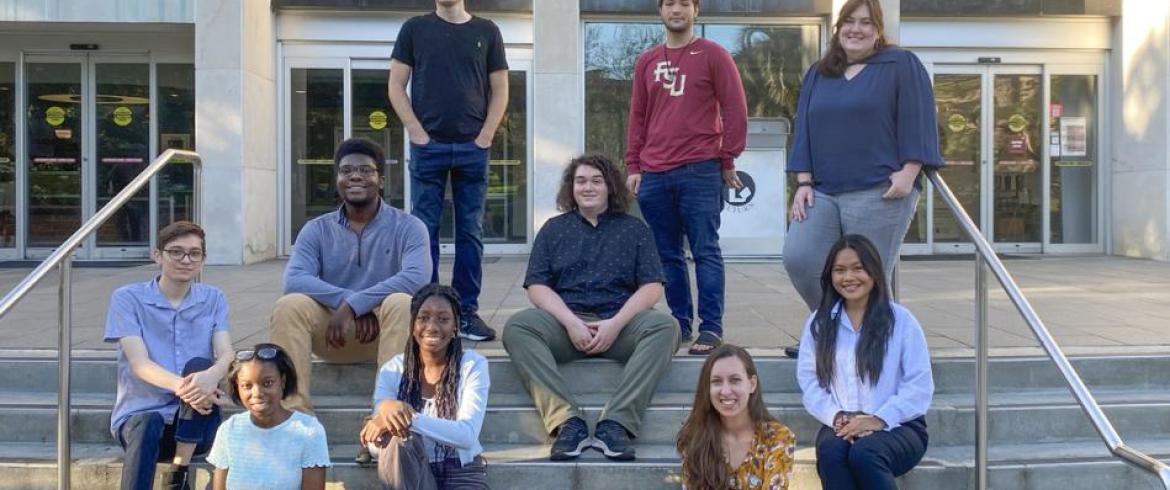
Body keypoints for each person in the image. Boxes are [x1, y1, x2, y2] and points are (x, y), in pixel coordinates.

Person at [783, 0, 943, 358]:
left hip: (879, 191)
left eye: (866, 23)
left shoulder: (901, 64)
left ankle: (870, 346)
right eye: (849, 22)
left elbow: (918, 118)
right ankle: (831, 327)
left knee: (864, 273)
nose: (856, 29)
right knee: (801, 257)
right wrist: (803, 182)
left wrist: (910, 171)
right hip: (823, 190)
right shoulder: (819, 73)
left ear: (878, 29)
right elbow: (805, 128)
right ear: (838, 28)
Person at [502, 154, 680, 461]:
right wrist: (571, 323)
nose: (588, 187)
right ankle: (567, 422)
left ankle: (616, 423)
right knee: (518, 327)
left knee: (666, 327)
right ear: (571, 187)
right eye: (580, 180)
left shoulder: (635, 230)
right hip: (566, 326)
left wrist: (616, 324)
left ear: (610, 187)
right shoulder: (553, 229)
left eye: (596, 181)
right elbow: (537, 286)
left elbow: (652, 287)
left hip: (620, 325)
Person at [270, 138, 430, 461]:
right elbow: (295, 279)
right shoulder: (316, 230)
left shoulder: (409, 227)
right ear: (338, 179)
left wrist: (357, 305)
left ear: (381, 180)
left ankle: (382, 420)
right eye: (347, 170)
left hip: (389, 337)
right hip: (335, 335)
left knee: (400, 302)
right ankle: (296, 422)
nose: (355, 176)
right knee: (289, 306)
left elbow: (416, 278)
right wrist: (349, 304)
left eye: (365, 170)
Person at [625, 0, 748, 355]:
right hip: (655, 173)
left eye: (684, 3)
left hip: (700, 169)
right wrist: (634, 165)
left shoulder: (714, 55)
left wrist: (728, 157)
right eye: (668, 3)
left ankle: (711, 328)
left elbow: (735, 109)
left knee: (705, 250)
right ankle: (679, 324)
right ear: (659, 11)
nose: (675, 9)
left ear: (696, 10)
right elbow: (638, 115)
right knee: (667, 256)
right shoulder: (647, 60)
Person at [388, 0, 509, 342]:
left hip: (473, 147)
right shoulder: (415, 28)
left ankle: (466, 312)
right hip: (429, 147)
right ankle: (426, 312)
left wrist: (486, 134)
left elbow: (500, 88)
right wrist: (414, 130)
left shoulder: (487, 31)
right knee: (424, 233)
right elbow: (396, 84)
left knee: (470, 232)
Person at [796, 235, 934, 490]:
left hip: (900, 424)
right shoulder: (820, 322)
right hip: (840, 420)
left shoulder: (901, 321)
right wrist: (836, 416)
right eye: (839, 270)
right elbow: (809, 381)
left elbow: (919, 386)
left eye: (858, 268)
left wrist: (879, 419)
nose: (848, 277)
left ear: (874, 271)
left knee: (865, 454)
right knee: (832, 454)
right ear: (830, 276)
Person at [104, 221, 232, 490]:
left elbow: (226, 352)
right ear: (157, 255)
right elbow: (139, 364)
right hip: (140, 425)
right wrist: (190, 388)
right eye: (176, 252)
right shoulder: (127, 298)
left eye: (194, 253)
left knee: (200, 365)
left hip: (197, 427)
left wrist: (211, 376)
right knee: (148, 420)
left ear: (203, 260)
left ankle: (179, 471)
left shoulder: (214, 298)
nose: (186, 260)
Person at [360, 284, 490, 490]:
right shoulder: (392, 370)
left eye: (443, 319)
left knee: (398, 429)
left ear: (456, 327)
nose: (432, 326)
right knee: (398, 442)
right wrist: (390, 421)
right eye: (423, 318)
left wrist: (406, 417)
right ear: (412, 325)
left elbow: (466, 436)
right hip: (409, 472)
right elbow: (377, 442)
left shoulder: (472, 366)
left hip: (461, 473)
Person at [208, 344, 330, 490]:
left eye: (267, 383)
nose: (257, 393)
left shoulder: (309, 431)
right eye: (247, 386)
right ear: (237, 388)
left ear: (283, 382)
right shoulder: (229, 430)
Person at [676, 344, 796, 490]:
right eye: (717, 381)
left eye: (734, 380)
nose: (725, 391)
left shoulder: (777, 438)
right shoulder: (694, 437)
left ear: (752, 384)